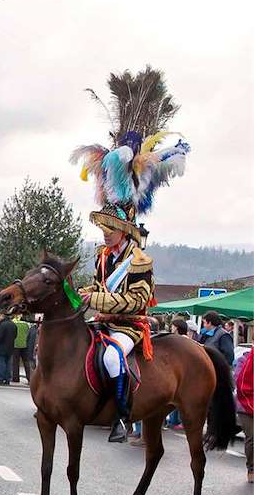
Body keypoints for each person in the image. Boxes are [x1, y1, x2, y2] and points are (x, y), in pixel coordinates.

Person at [73, 128, 188, 442]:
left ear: (124, 230)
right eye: (103, 228)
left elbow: (137, 300)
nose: (105, 233)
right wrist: (87, 296)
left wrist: (98, 301)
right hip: (102, 321)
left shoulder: (139, 260)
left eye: (110, 228)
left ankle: (121, 416)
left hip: (129, 326)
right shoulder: (103, 256)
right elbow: (100, 287)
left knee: (111, 357)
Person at [234, 350, 253, 483]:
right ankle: (251, 468)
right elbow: (238, 380)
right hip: (245, 405)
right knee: (252, 437)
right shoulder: (243, 360)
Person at [0, 312, 16, 385]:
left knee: (1, 362)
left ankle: (0, 378)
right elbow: (15, 335)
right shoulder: (13, 325)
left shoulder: (2, 325)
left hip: (2, 346)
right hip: (10, 346)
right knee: (8, 363)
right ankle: (7, 378)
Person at [10, 314, 31, 383]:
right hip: (24, 345)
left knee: (15, 362)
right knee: (26, 362)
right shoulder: (26, 324)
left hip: (15, 345)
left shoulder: (13, 323)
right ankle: (29, 377)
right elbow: (28, 334)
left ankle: (15, 378)